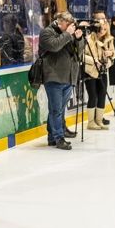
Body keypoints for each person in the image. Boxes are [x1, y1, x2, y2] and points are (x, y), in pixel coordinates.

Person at [39, 11, 84, 150]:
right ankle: (59, 138)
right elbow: (55, 46)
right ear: (60, 21)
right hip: (54, 77)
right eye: (68, 23)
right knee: (56, 110)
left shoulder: (68, 33)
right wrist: (68, 34)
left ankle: (52, 137)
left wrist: (79, 39)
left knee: (57, 109)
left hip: (69, 77)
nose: (71, 26)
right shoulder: (47, 32)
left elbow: (79, 53)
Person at [83, 10, 115, 130]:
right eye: (101, 28)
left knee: (102, 95)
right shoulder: (88, 39)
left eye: (105, 29)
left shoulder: (109, 39)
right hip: (90, 71)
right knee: (93, 95)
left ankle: (99, 120)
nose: (103, 31)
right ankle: (91, 122)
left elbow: (114, 53)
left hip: (103, 70)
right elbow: (82, 56)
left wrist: (111, 54)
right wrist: (94, 60)